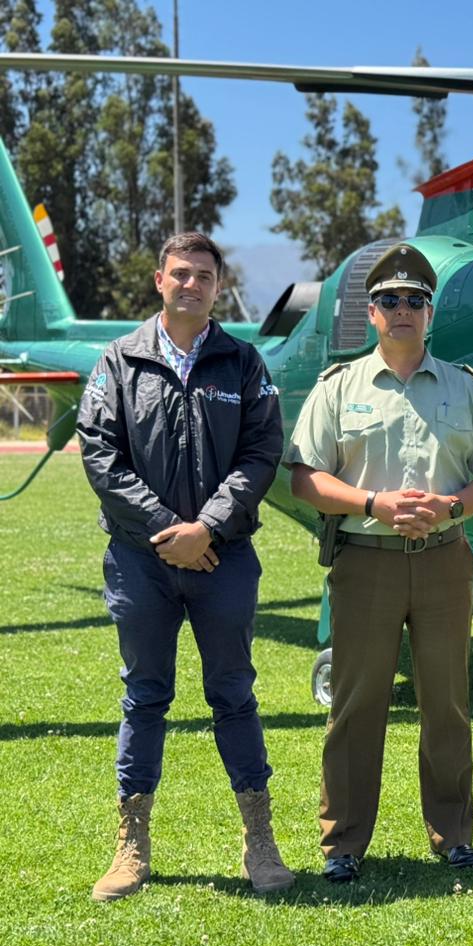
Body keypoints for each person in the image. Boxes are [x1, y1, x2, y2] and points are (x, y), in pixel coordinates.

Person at [286, 242, 473, 882]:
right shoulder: (341, 387)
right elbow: (304, 479)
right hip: (366, 561)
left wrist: (446, 509)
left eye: (414, 300)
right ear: (373, 312)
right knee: (357, 705)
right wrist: (372, 502)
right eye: (390, 300)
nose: (403, 310)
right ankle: (343, 843)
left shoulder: (465, 389)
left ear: (429, 311)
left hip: (445, 560)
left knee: (447, 702)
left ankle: (453, 835)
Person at [77, 232, 291, 901]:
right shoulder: (119, 361)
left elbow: (261, 452)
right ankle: (131, 847)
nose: (191, 284)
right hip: (142, 562)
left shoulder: (243, 363)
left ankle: (260, 842)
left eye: (204, 275)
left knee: (234, 695)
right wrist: (171, 530)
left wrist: (209, 527)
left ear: (218, 287)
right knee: (144, 696)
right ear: (158, 280)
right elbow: (100, 453)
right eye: (180, 273)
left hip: (223, 559)